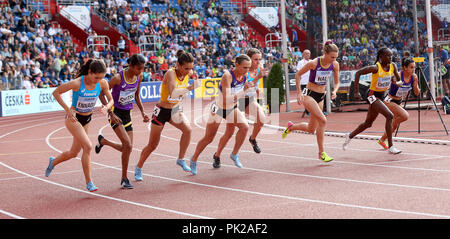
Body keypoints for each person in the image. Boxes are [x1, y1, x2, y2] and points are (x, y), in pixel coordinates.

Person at [45, 59, 119, 192]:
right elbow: (56, 92)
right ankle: (89, 182)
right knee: (88, 146)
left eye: (101, 77)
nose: (98, 80)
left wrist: (107, 106)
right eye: (96, 77)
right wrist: (68, 110)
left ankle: (53, 162)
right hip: (74, 119)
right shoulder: (77, 83)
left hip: (87, 119)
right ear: (89, 72)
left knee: (73, 153)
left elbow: (111, 99)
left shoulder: (102, 83)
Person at [134, 50, 200, 181]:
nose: (189, 71)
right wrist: (191, 88)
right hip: (162, 111)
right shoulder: (171, 73)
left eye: (191, 68)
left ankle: (181, 159)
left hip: (174, 109)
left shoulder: (189, 72)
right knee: (152, 145)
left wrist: (193, 78)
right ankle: (139, 167)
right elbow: (174, 93)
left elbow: (190, 76)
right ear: (178, 65)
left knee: (187, 130)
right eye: (186, 68)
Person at [189, 54, 253, 175]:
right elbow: (227, 99)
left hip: (231, 108)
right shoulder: (227, 76)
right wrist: (244, 90)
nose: (247, 70)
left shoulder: (244, 75)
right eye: (245, 67)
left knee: (244, 127)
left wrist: (251, 90)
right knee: (209, 138)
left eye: (249, 68)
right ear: (237, 65)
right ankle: (194, 159)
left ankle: (234, 154)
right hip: (218, 109)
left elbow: (239, 94)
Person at [95, 54, 149, 189]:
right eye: (138, 68)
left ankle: (104, 142)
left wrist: (142, 112)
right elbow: (101, 93)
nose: (140, 71)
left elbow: (136, 95)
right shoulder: (118, 78)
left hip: (127, 114)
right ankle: (124, 178)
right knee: (127, 144)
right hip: (115, 113)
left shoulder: (139, 77)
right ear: (131, 65)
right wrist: (110, 112)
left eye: (142, 69)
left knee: (128, 148)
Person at [281, 40, 340, 162]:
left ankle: (291, 127)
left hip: (321, 96)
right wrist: (298, 93)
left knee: (311, 129)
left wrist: (334, 91)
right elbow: (298, 75)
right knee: (323, 120)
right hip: (309, 94)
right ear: (325, 53)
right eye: (332, 57)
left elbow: (337, 81)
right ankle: (321, 153)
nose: (333, 60)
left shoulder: (335, 64)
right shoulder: (314, 63)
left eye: (335, 57)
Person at [342, 47, 403, 154]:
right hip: (372, 96)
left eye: (391, 55)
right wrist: (356, 92)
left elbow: (397, 80)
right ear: (381, 57)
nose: (390, 57)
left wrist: (397, 82)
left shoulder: (393, 66)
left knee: (368, 123)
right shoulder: (375, 67)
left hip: (382, 96)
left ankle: (349, 135)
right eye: (388, 55)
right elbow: (358, 73)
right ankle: (391, 146)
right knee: (390, 116)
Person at [377, 58, 420, 149]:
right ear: (405, 68)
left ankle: (381, 140)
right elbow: (387, 80)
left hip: (399, 101)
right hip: (389, 100)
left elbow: (417, 93)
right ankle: (389, 125)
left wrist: (416, 86)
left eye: (414, 67)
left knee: (394, 126)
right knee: (405, 116)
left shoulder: (414, 77)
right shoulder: (398, 75)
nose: (413, 70)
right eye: (411, 67)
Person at [238, 48, 269, 154]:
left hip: (249, 100)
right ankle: (217, 154)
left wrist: (256, 88)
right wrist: (257, 78)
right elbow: (244, 88)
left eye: (259, 59)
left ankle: (252, 138)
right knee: (230, 131)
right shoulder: (244, 71)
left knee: (261, 119)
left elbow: (254, 84)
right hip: (237, 100)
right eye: (255, 59)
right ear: (249, 59)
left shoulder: (259, 68)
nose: (258, 62)